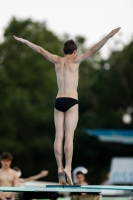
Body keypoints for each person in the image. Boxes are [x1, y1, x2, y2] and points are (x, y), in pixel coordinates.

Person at [14, 27, 121, 185]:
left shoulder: (57, 60)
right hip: (71, 101)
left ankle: (59, 167)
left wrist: (25, 41)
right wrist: (109, 36)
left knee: (58, 136)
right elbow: (94, 49)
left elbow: (41, 51)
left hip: (59, 101)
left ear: (63, 50)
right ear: (75, 51)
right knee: (69, 137)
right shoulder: (76, 60)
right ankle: (68, 168)